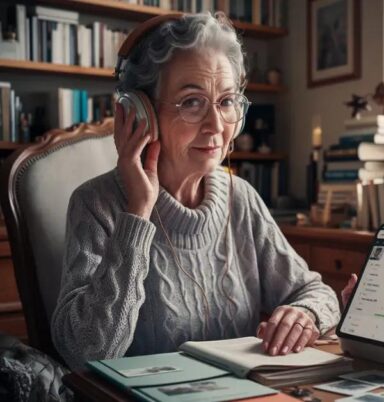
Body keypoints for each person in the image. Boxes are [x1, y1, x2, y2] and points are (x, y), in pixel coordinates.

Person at [51, 12, 346, 370]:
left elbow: (318, 293)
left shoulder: (242, 198)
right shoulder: (96, 204)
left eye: (225, 102)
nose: (216, 126)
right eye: (191, 102)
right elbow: (85, 353)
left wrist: (304, 314)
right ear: (139, 114)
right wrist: (138, 212)